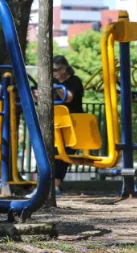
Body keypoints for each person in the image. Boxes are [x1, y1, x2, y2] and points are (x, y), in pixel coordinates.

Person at [51, 55, 85, 197]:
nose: (54, 74)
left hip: (73, 123)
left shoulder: (74, 81)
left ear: (64, 69)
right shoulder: (54, 81)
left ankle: (56, 186)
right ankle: (50, 185)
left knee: (64, 154)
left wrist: (56, 87)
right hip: (58, 123)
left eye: (55, 70)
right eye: (52, 71)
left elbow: (69, 97)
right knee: (53, 152)